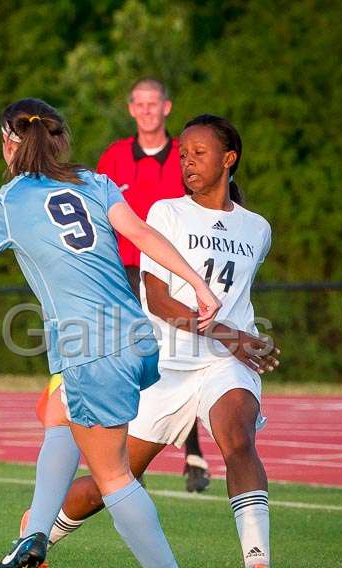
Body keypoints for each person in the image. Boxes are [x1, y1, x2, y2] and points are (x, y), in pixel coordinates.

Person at [0, 98, 220, 568]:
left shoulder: (8, 201)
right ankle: (33, 538)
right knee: (60, 415)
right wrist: (199, 284)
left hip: (92, 348)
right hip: (135, 337)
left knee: (112, 474)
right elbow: (143, 233)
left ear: (8, 142)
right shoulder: (94, 182)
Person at [21, 114, 284, 568]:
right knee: (113, 478)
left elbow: (239, 297)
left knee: (238, 439)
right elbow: (159, 301)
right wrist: (233, 335)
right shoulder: (165, 213)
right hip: (167, 365)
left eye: (199, 153)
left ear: (230, 159)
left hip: (227, 362)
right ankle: (35, 542)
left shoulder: (258, 229)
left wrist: (245, 341)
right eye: (182, 154)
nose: (187, 162)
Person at [37, 77, 212, 494]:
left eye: (155, 103)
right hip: (125, 274)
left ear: (166, 107)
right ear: (132, 109)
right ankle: (131, 458)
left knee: (180, 356)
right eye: (140, 104)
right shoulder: (115, 157)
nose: (148, 110)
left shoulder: (184, 156)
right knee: (130, 359)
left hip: (171, 273)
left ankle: (192, 452)